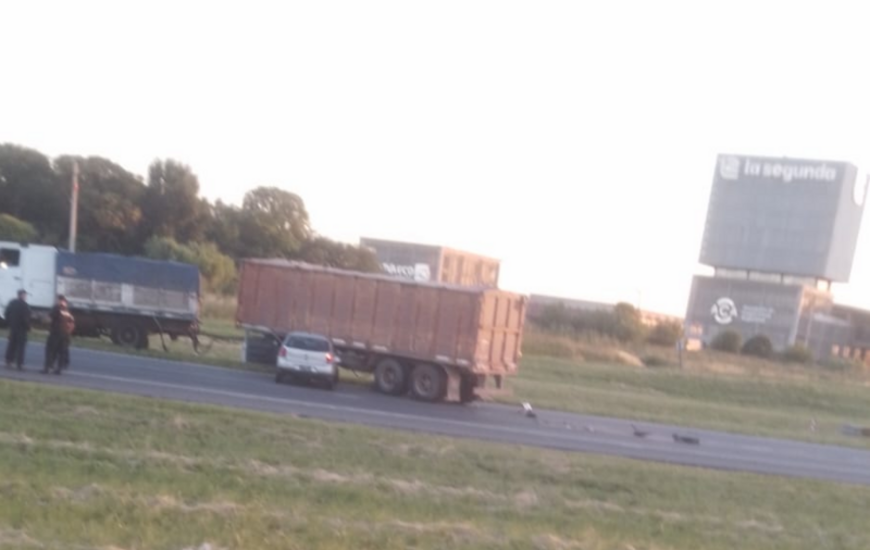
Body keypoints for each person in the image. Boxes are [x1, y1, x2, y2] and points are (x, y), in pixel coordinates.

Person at [44, 295, 75, 375]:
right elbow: (72, 323)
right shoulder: (67, 310)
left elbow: (49, 318)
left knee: (50, 350)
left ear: (59, 300)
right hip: (65, 334)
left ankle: (48, 368)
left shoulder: (56, 308)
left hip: (55, 333)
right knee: (61, 352)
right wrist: (68, 332)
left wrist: (45, 322)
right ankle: (59, 369)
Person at [4, 290, 31, 371]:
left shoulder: (12, 303)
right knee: (21, 347)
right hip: (21, 329)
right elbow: (25, 318)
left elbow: (6, 313)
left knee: (12, 344)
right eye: (25, 295)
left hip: (13, 327)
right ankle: (19, 363)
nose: (26, 297)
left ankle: (9, 360)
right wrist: (28, 327)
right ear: (21, 295)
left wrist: (9, 322)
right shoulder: (24, 305)